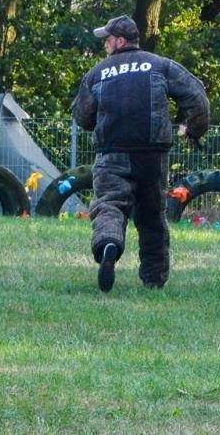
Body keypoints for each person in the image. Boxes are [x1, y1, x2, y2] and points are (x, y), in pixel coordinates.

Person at [72, 15, 210, 292]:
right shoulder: (161, 65)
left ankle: (108, 244)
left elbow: (82, 116)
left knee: (109, 205)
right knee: (151, 216)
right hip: (153, 154)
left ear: (120, 41)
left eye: (108, 40)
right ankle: (154, 279)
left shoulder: (98, 72)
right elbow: (197, 97)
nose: (106, 46)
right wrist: (192, 130)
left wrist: (100, 121)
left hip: (112, 152)